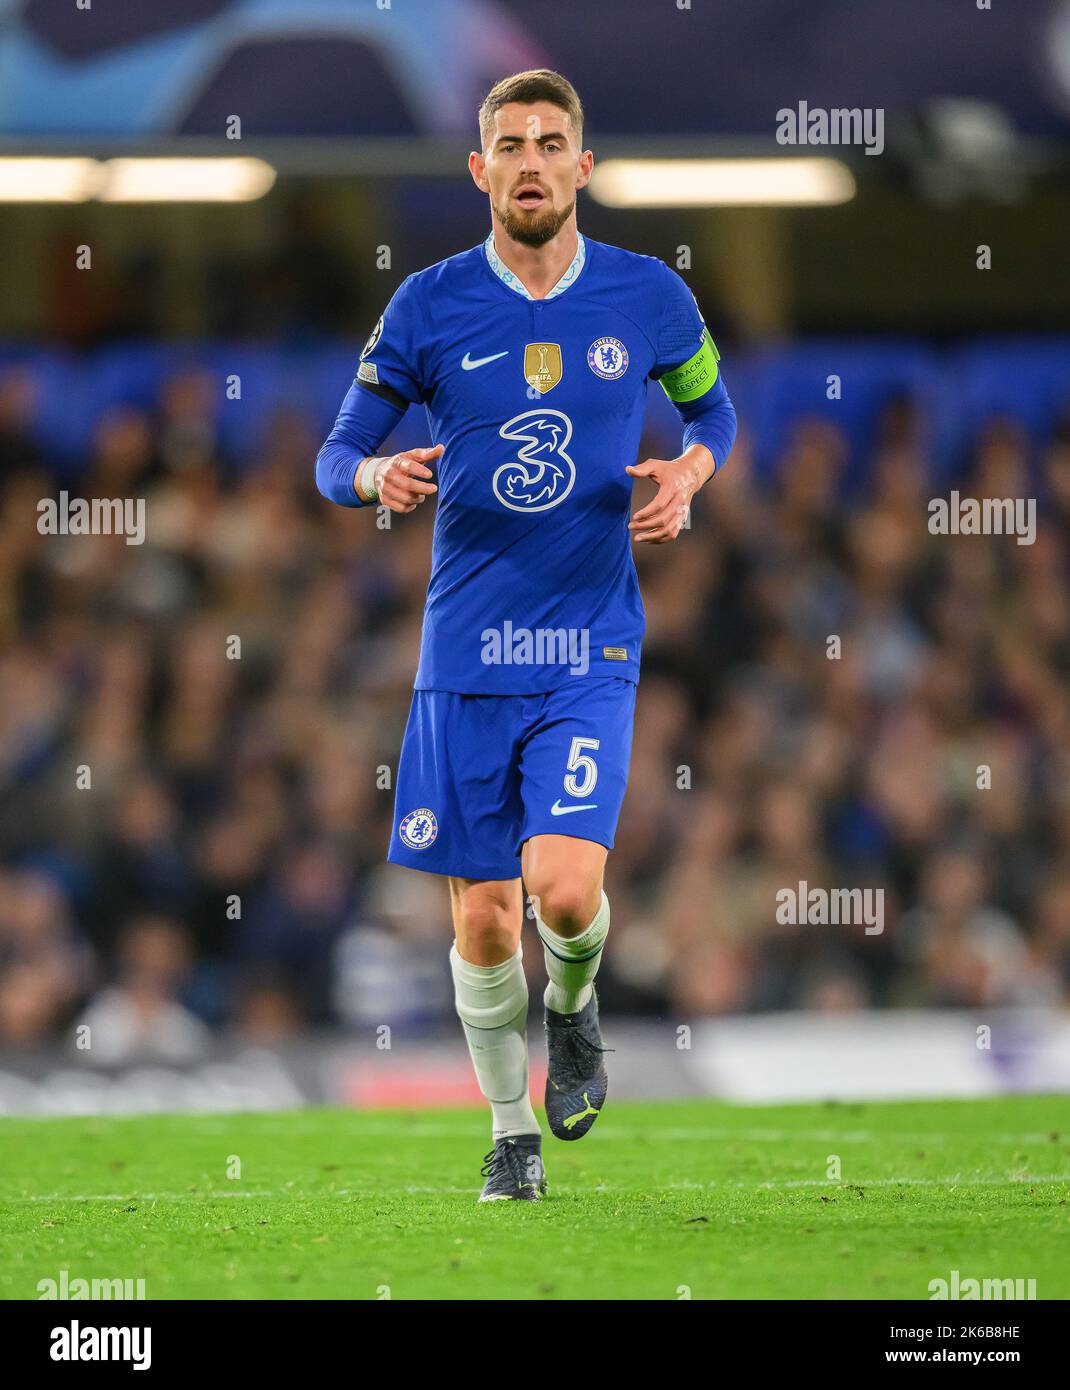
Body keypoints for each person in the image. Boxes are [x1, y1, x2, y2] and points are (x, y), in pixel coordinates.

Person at [316, 69, 736, 1200]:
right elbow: (333, 452)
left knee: (558, 891)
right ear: (480, 169)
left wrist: (689, 472)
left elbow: (712, 408)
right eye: (511, 144)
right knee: (486, 922)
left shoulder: (646, 296)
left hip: (586, 644)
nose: (532, 160)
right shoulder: (427, 305)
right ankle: (511, 1133)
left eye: (552, 142)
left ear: (582, 166)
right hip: (464, 657)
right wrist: (373, 472)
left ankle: (578, 1002)